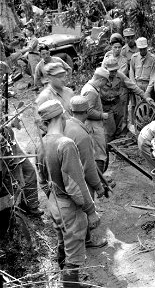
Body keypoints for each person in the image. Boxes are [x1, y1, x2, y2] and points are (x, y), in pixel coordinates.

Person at [36, 99, 101, 287]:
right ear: (62, 116)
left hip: (53, 202)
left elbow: (42, 180)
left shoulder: (41, 143)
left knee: (62, 243)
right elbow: (75, 185)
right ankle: (69, 284)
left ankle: (64, 280)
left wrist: (52, 198)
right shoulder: (66, 144)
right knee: (74, 255)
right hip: (69, 207)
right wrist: (90, 211)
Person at [64, 96, 108, 249]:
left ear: (71, 111)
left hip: (66, 175)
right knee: (85, 207)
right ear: (86, 112)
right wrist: (98, 186)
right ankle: (87, 240)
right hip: (78, 178)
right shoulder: (82, 135)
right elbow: (89, 168)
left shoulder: (66, 124)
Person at [102, 57, 153, 142]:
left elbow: (132, 86)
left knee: (120, 128)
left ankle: (117, 147)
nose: (114, 73)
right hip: (106, 107)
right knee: (109, 130)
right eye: (111, 71)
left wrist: (145, 97)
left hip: (117, 105)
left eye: (115, 70)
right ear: (106, 69)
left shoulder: (120, 75)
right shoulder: (101, 77)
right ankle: (108, 149)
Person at [81, 67, 109, 172]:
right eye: (105, 81)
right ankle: (99, 183)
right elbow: (88, 111)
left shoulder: (89, 87)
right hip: (93, 127)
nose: (105, 84)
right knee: (99, 155)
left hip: (93, 126)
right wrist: (102, 115)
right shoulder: (91, 91)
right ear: (101, 80)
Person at [129, 37, 155, 108]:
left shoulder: (153, 58)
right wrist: (135, 87)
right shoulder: (134, 57)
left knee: (148, 107)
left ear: (147, 47)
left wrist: (148, 91)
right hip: (136, 85)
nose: (143, 51)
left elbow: (153, 76)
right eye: (141, 49)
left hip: (148, 86)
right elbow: (131, 73)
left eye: (144, 49)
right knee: (136, 107)